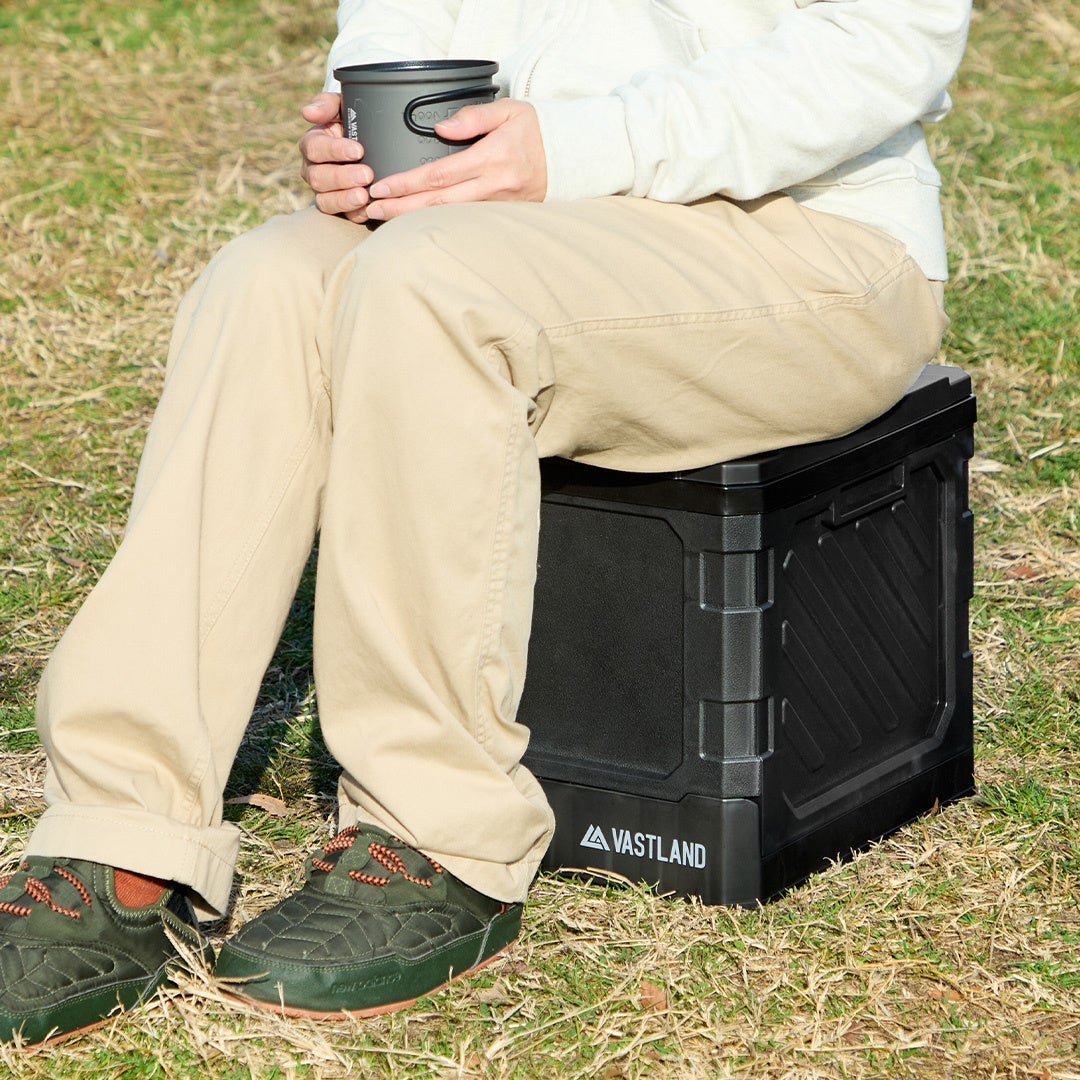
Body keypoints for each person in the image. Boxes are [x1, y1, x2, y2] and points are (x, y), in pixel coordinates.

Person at [0, 0, 971, 1045]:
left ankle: (434, 831)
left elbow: (886, 47)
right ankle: (121, 831)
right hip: (516, 216)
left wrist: (577, 146)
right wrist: (375, 139)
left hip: (809, 237)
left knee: (435, 285)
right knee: (266, 280)